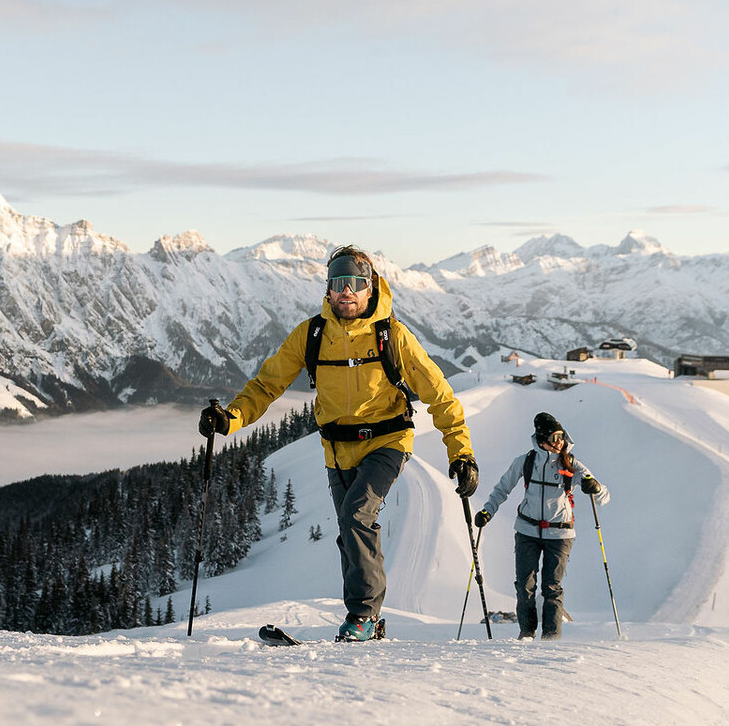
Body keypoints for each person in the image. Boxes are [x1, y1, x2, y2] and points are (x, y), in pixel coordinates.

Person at [199, 245, 477, 642]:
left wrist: (461, 453)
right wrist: (231, 419)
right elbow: (267, 384)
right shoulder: (312, 334)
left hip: (388, 441)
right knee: (351, 532)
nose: (347, 291)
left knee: (356, 517)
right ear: (328, 290)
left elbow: (440, 395)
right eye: (338, 283)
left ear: (371, 288)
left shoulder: (392, 336)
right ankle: (372, 619)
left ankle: (362, 616)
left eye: (356, 283)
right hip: (335, 448)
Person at [474, 412, 609, 640]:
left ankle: (551, 639)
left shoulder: (571, 464)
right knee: (524, 586)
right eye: (555, 437)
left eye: (561, 437)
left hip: (560, 534)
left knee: (551, 587)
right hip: (527, 530)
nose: (559, 442)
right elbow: (502, 488)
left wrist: (594, 487)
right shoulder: (526, 462)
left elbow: (603, 496)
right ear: (542, 439)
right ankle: (526, 633)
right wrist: (488, 511)